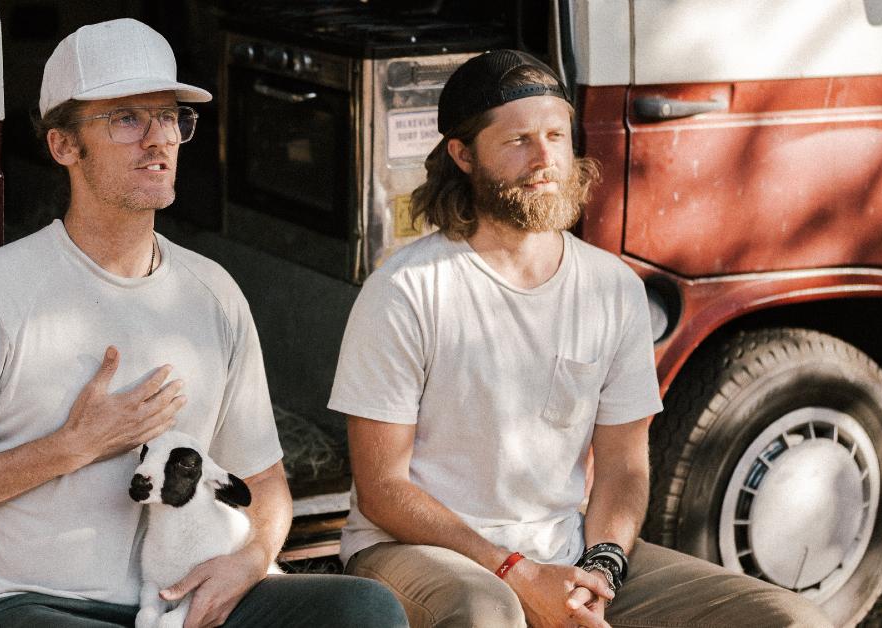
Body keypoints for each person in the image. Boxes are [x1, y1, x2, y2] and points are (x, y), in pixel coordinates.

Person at [0, 18, 406, 628]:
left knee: (364, 608)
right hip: (20, 605)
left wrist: (249, 560)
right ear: (64, 146)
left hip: (174, 605)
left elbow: (265, 482)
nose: (159, 139)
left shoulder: (213, 293)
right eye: (126, 118)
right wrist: (70, 448)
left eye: (170, 117)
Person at [328, 49, 834, 628]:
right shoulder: (407, 289)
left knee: (790, 620)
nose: (545, 159)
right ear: (463, 155)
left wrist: (603, 567)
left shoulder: (611, 287)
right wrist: (515, 569)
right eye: (518, 141)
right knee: (486, 612)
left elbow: (622, 464)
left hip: (567, 553)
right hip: (415, 551)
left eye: (555, 135)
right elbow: (382, 489)